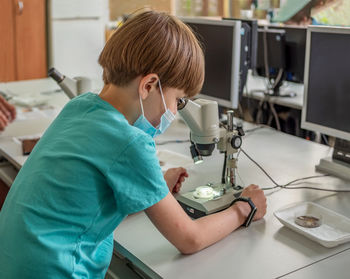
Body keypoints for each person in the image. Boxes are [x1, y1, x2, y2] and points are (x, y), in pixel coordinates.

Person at [0, 10, 267, 278]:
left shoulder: (79, 107)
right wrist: (243, 209)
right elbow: (190, 238)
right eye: (178, 100)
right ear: (149, 85)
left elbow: (89, 196)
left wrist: (154, 186)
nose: (175, 111)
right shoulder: (130, 142)